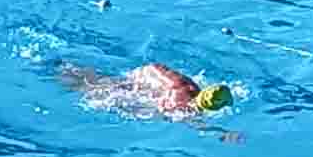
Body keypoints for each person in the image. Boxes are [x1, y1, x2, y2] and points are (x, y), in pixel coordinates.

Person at [61, 60, 238, 119]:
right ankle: (64, 72)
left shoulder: (193, 87)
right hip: (145, 78)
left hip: (152, 72)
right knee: (96, 91)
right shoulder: (180, 105)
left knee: (105, 81)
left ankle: (69, 70)